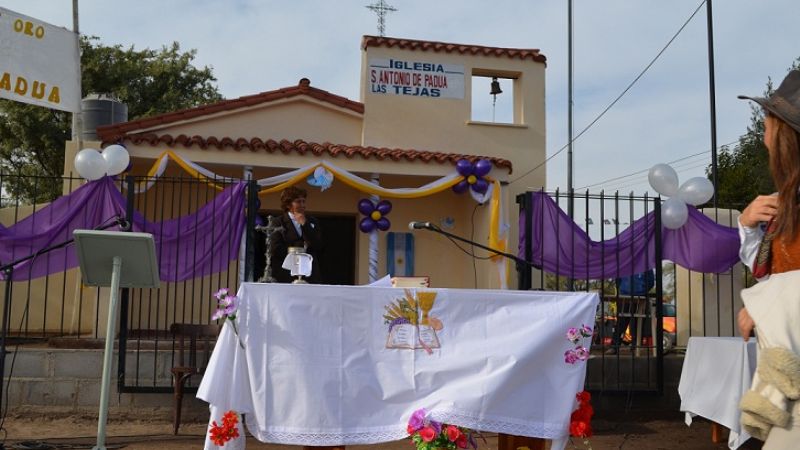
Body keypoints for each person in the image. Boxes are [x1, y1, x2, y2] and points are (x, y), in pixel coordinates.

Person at [736, 69, 800, 449]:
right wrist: (747, 227)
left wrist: (765, 308)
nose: (763, 137)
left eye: (768, 126)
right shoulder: (789, 199)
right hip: (785, 372)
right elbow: (771, 271)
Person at [269, 186, 324, 283]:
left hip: (310, 275)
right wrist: (298, 251)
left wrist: (305, 224)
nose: (302, 205)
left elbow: (318, 245)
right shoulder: (278, 222)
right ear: (288, 204)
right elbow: (275, 248)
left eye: (304, 201)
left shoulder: (312, 221)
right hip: (286, 274)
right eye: (298, 202)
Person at [606, 270, 655, 355]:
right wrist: (622, 289)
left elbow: (650, 281)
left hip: (640, 297)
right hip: (624, 295)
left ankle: (636, 346)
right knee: (621, 322)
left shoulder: (646, 264)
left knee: (639, 322)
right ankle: (614, 346)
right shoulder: (626, 261)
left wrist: (642, 290)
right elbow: (618, 279)